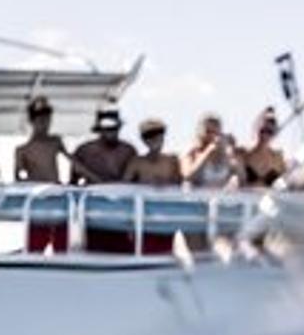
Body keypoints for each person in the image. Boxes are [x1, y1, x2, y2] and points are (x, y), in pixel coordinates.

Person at [70, 108, 140, 253]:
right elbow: (73, 184)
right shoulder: (84, 150)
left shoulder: (129, 150)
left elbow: (136, 183)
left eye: (114, 128)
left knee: (124, 253)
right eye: (107, 128)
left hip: (123, 214)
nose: (111, 132)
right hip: (92, 214)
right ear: (99, 129)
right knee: (94, 251)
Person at [14, 96, 70, 252]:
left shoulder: (55, 141)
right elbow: (18, 179)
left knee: (62, 250)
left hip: (58, 200)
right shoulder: (22, 150)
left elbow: (73, 162)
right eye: (41, 120)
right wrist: (34, 183)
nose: (45, 124)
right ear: (32, 121)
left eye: (48, 120)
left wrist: (95, 179)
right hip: (37, 202)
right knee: (35, 249)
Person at [125, 119, 182, 254]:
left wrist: (165, 184)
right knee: (144, 248)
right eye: (149, 136)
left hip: (167, 212)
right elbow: (124, 185)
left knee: (166, 249)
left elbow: (179, 183)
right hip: (144, 213)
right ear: (144, 140)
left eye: (159, 136)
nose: (155, 140)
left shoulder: (172, 160)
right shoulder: (137, 162)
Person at [182, 112, 239, 189]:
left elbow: (241, 177)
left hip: (220, 194)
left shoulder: (226, 152)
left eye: (215, 133)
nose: (212, 136)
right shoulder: (190, 152)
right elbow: (188, 176)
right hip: (197, 194)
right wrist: (208, 152)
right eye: (208, 132)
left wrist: (230, 154)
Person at [237, 107, 288, 187]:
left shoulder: (278, 159)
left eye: (269, 132)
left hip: (269, 194)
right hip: (247, 194)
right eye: (263, 131)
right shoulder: (244, 154)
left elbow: (286, 183)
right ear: (257, 129)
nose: (265, 135)